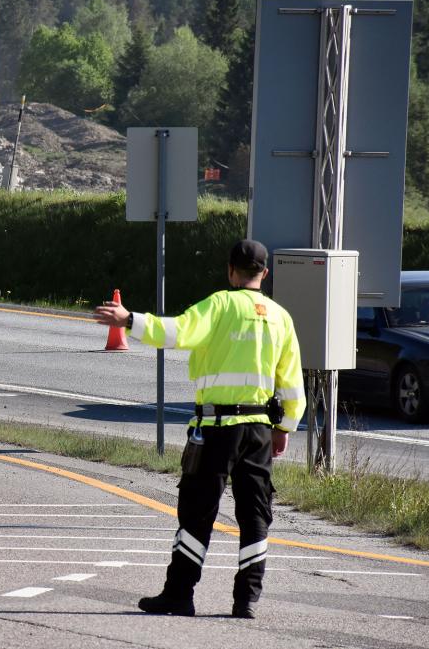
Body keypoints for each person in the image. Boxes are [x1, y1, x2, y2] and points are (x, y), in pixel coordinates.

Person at [93, 239, 305, 620]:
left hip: (216, 427)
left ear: (230, 270)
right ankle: (247, 600)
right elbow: (291, 384)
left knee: (197, 511)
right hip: (258, 429)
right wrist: (284, 426)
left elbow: (175, 332)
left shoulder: (220, 305)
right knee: (255, 514)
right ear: (265, 273)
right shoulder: (280, 318)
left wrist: (129, 320)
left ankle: (180, 594)